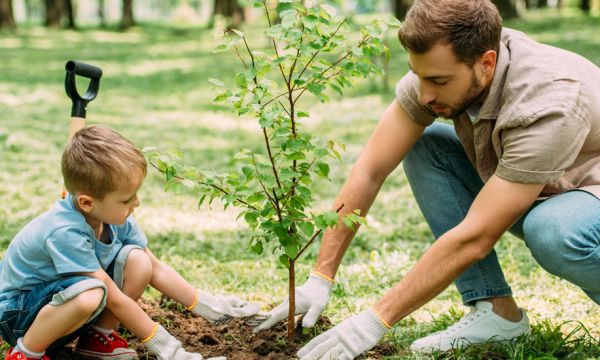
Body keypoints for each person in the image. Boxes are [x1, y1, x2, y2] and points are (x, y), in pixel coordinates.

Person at [254, 0, 600, 358]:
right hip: (545, 186)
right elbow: (370, 169)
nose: (424, 94)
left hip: (588, 196)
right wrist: (320, 277)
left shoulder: (549, 103)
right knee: (427, 146)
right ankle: (497, 314)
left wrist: (374, 320)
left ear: (487, 63)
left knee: (554, 231)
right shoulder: (445, 67)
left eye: (438, 81)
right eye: (419, 75)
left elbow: (476, 237)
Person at [0, 125, 260, 360]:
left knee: (139, 260)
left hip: (61, 306)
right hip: (19, 315)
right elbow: (113, 298)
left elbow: (156, 269)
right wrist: (171, 351)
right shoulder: (64, 231)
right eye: (126, 199)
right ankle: (25, 353)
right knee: (93, 292)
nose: (136, 203)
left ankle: (97, 339)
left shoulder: (114, 217)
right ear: (87, 202)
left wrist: (209, 305)